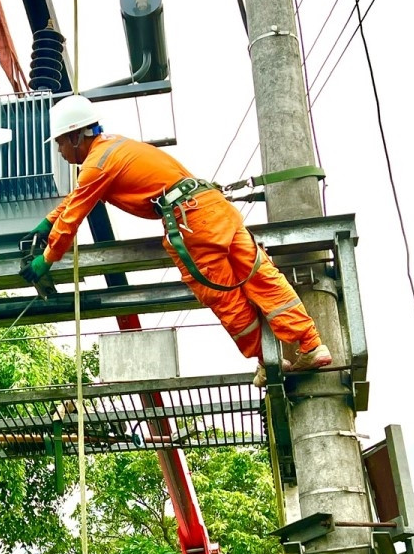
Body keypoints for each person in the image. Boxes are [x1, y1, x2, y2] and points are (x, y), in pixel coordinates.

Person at [19, 94, 332, 385]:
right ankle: (311, 344)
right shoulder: (113, 148)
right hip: (214, 207)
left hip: (192, 222)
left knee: (223, 297)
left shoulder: (97, 165)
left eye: (60, 142)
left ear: (76, 136)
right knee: (262, 276)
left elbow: (74, 215)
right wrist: (47, 223)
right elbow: (76, 199)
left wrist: (46, 259)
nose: (59, 151)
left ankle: (269, 361)